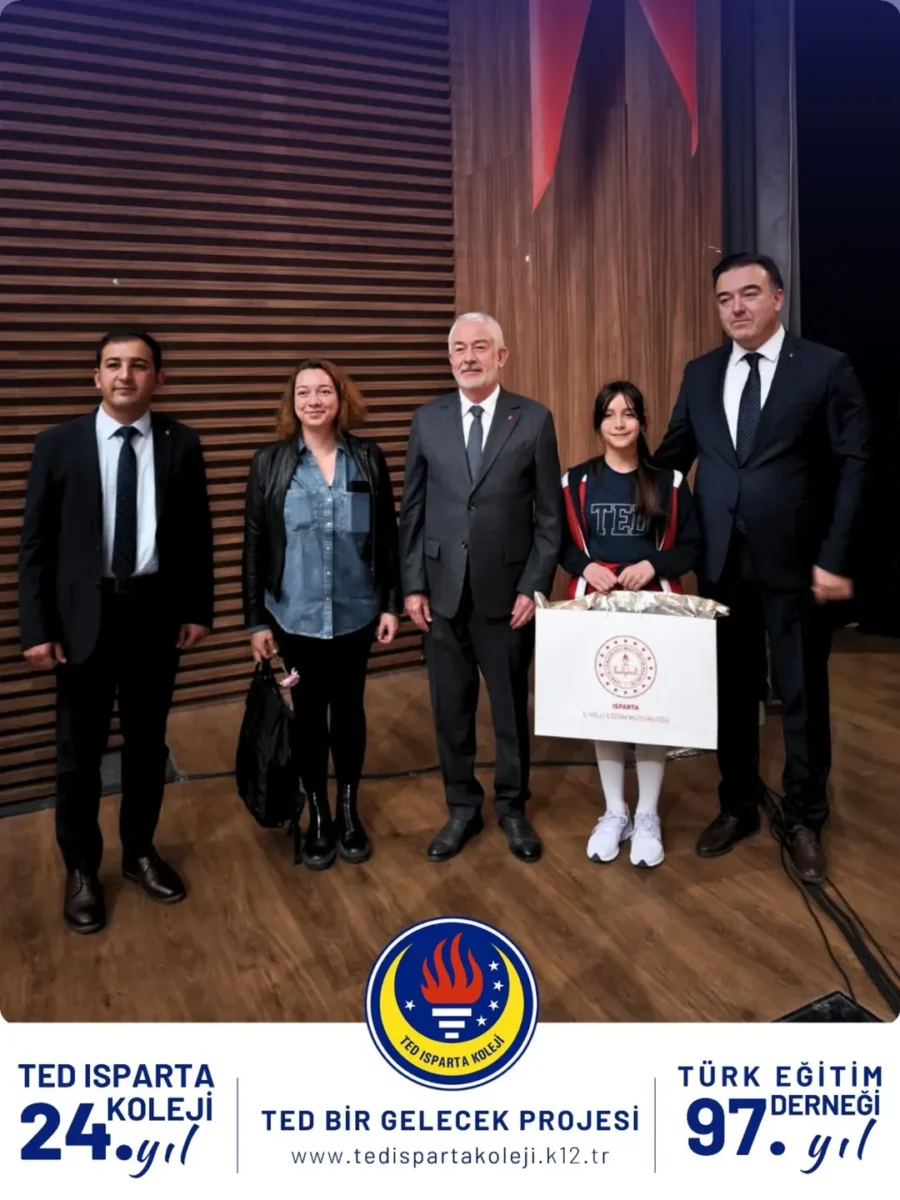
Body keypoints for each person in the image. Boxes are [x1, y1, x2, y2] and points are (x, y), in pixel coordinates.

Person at [654, 253, 872, 883]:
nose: (737, 308)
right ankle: (737, 805)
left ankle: (804, 818)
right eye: (725, 299)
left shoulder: (825, 367)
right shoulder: (700, 373)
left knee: (801, 693)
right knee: (730, 691)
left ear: (777, 298)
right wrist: (611, 482)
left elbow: (856, 464)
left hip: (798, 562)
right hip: (720, 560)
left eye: (749, 294)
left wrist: (836, 555)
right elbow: (673, 460)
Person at [18, 329, 214, 934]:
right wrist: (37, 627)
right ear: (96, 377)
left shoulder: (182, 443)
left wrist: (197, 610)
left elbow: (197, 535)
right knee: (77, 755)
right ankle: (81, 868)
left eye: (138, 365)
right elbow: (35, 545)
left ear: (159, 378)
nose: (125, 375)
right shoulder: (58, 444)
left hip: (154, 616)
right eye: (113, 364)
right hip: (83, 621)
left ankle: (138, 852)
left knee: (147, 746)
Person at [399, 312, 562, 863]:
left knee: (510, 711)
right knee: (451, 709)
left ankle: (513, 809)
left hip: (507, 595)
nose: (468, 357)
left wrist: (533, 587)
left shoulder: (533, 419)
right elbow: (412, 510)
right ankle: (462, 809)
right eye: (459, 349)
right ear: (450, 358)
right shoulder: (427, 420)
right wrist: (413, 585)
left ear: (501, 355)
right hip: (441, 593)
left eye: (480, 347)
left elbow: (549, 518)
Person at [242, 359, 401, 871]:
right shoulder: (270, 463)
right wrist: (256, 621)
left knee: (350, 712)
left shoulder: (367, 458)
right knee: (309, 717)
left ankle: (349, 810)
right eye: (304, 392)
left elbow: (387, 535)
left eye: (324, 391)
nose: (314, 400)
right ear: (292, 403)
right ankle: (318, 813)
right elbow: (254, 544)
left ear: (340, 398)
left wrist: (391, 603)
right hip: (294, 617)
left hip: (357, 612)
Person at [560, 381, 702, 868]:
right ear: (598, 423)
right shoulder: (575, 481)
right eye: (609, 414)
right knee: (605, 710)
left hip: (653, 609)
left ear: (642, 422)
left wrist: (653, 565)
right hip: (595, 608)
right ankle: (614, 810)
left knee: (649, 711)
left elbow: (692, 546)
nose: (619, 423)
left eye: (629, 414)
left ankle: (647, 815)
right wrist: (585, 566)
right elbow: (560, 544)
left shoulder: (670, 481)